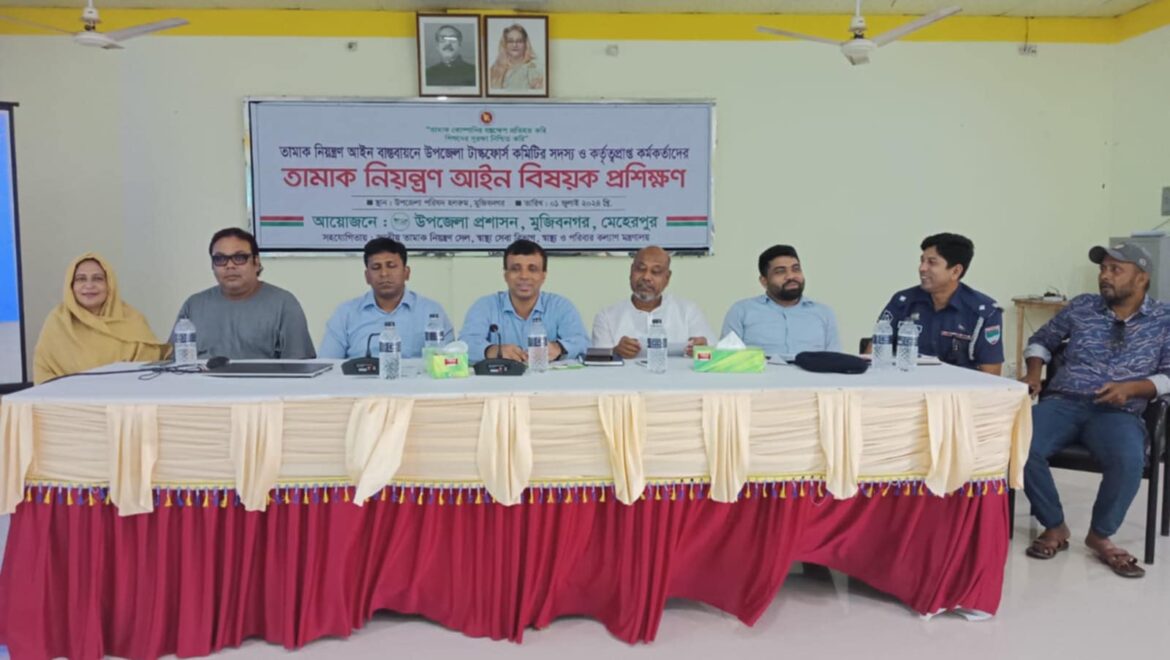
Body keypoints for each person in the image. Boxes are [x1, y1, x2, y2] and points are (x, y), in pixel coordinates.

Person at [1020, 243, 1170, 579]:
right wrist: (1033, 374)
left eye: (1116, 269)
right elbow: (1041, 340)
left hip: (1120, 412)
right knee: (1019, 441)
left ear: (1141, 278)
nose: (1104, 276)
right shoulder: (1082, 306)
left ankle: (1100, 535)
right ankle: (1054, 526)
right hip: (1063, 402)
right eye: (1103, 269)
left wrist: (1133, 388)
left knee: (1128, 459)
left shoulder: (1164, 319)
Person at [173, 227, 315, 360]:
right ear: (212, 266)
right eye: (220, 259)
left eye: (239, 258)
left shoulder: (284, 304)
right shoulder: (194, 306)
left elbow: (300, 367)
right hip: (201, 379)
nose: (230, 265)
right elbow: (174, 363)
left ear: (256, 262)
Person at [876, 232, 1003, 374]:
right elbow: (874, 355)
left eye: (932, 262)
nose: (922, 268)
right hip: (907, 383)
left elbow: (991, 376)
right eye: (922, 261)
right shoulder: (903, 301)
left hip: (958, 386)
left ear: (955, 271)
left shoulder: (984, 312)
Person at [33, 253, 169, 383]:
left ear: (109, 284)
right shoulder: (58, 322)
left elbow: (148, 370)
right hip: (67, 399)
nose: (89, 285)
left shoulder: (133, 319)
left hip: (124, 397)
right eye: (81, 279)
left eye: (97, 278)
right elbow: (44, 373)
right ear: (71, 286)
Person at [319, 237, 453, 359]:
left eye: (391, 266)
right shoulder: (345, 313)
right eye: (376, 268)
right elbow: (327, 363)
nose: (384, 273)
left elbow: (450, 361)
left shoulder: (431, 312)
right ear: (367, 276)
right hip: (360, 378)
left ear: (406, 273)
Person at [460, 239, 589, 363]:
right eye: (516, 269)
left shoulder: (560, 306)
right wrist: (492, 351)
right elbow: (465, 344)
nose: (524, 276)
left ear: (543, 275)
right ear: (505, 275)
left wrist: (559, 348)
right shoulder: (485, 306)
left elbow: (582, 343)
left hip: (548, 377)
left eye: (532, 269)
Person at [721, 244, 840, 360]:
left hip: (812, 374)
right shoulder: (741, 311)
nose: (791, 276)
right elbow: (726, 360)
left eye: (796, 269)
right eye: (780, 271)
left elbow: (836, 362)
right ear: (764, 281)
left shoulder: (823, 313)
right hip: (762, 373)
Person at [592, 246, 712, 358]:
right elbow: (597, 362)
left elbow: (712, 355)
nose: (646, 277)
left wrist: (703, 350)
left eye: (655, 272)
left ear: (667, 278)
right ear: (631, 271)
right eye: (641, 269)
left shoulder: (688, 312)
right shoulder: (606, 317)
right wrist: (615, 352)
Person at [488, 23, 544, 92]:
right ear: (505, 44)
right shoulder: (495, 68)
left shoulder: (534, 67)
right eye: (510, 41)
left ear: (525, 44)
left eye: (519, 41)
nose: (514, 45)